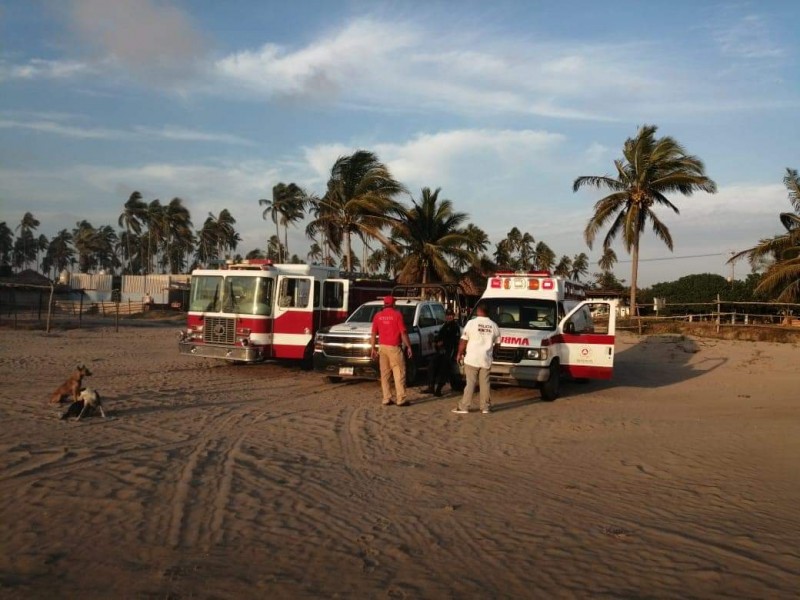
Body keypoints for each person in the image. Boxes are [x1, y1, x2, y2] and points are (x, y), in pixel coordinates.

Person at [453, 302, 500, 415]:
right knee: (485, 383)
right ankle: (485, 407)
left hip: (472, 358)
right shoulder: (494, 325)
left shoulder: (471, 323)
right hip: (485, 359)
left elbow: (464, 340)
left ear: (478, 311)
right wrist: (492, 353)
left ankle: (464, 406)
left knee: (470, 383)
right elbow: (498, 344)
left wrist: (459, 353)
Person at [370, 296, 414, 407]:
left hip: (382, 347)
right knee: (399, 373)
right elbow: (403, 333)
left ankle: (386, 398)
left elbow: (374, 333)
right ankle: (401, 399)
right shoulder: (397, 315)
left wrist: (372, 348)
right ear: (393, 303)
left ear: (385, 304)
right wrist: (409, 346)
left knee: (385, 374)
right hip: (394, 347)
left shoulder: (377, 316)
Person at [424, 309, 461, 396]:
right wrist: (435, 341)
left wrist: (443, 342)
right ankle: (431, 387)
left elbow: (454, 339)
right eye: (447, 315)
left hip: (449, 351)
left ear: (453, 315)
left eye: (450, 315)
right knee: (432, 366)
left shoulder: (455, 326)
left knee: (443, 370)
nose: (449, 317)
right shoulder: (444, 325)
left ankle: (438, 390)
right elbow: (440, 335)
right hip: (440, 350)